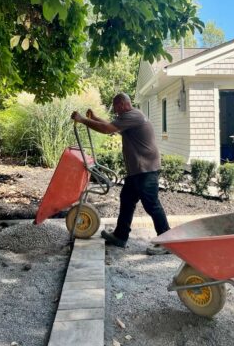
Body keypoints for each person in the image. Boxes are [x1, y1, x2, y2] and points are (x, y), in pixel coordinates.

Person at [71, 93, 171, 256]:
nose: (116, 110)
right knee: (127, 200)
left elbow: (106, 129)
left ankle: (167, 241)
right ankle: (120, 236)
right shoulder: (130, 118)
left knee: (151, 205)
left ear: (124, 104)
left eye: (116, 106)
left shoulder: (132, 116)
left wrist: (83, 120)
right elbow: (112, 126)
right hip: (138, 170)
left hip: (145, 170)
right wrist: (95, 117)